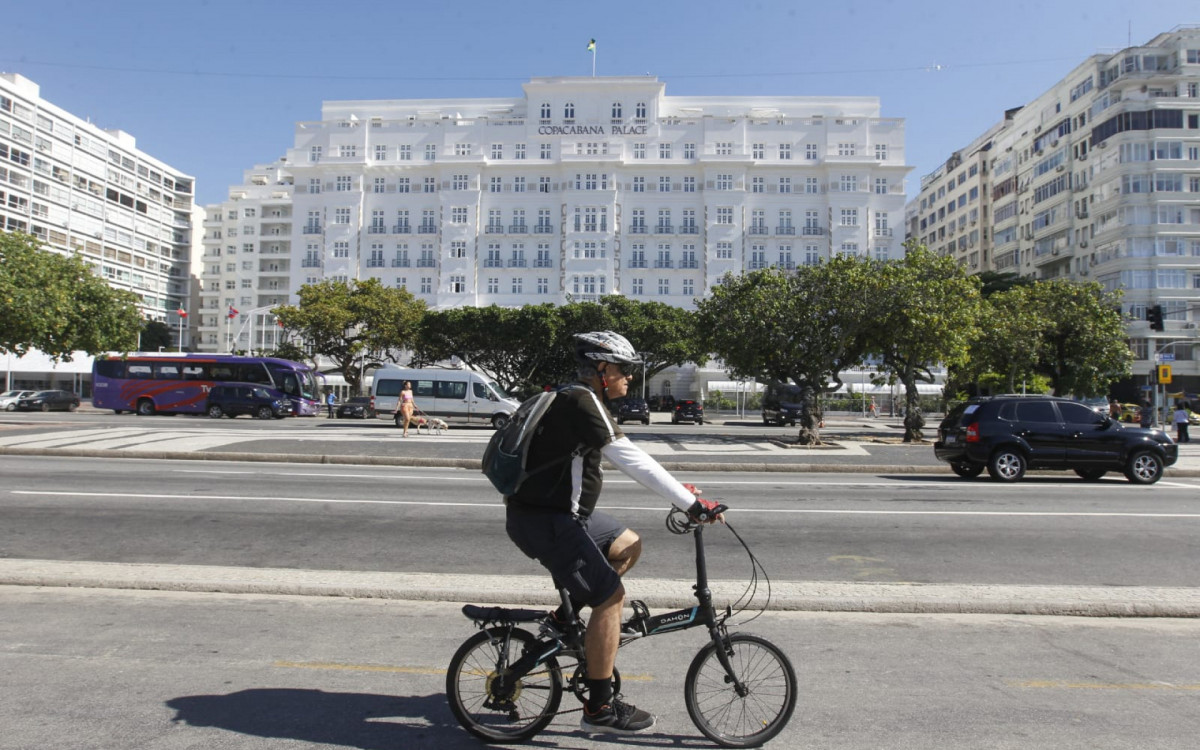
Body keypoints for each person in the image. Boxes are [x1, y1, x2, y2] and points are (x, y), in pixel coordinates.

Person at [504, 330, 726, 735]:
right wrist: (691, 505)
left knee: (628, 544)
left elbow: (627, 460)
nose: (630, 377)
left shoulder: (580, 398)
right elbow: (630, 459)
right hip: (547, 522)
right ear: (602, 369)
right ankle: (599, 709)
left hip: (561, 515)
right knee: (610, 598)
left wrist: (681, 493)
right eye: (624, 369)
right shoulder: (580, 400)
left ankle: (563, 620)